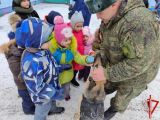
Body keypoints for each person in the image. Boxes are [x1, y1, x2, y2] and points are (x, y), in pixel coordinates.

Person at [85, 0, 160, 119]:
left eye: (100, 11)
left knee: (123, 96)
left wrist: (106, 73)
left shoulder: (138, 23)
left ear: (114, 3)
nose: (97, 17)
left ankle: (112, 110)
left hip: (138, 75)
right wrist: (99, 51)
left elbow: (139, 64)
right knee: (102, 87)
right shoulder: (111, 15)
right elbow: (108, 40)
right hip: (118, 63)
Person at [15, 17, 70, 120]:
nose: (51, 41)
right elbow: (36, 87)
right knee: (42, 111)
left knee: (51, 102)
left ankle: (52, 108)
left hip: (51, 86)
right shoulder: (31, 62)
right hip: (42, 97)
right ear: (36, 42)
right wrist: (55, 93)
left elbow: (49, 65)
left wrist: (59, 67)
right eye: (48, 39)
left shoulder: (43, 50)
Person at [48, 16, 94, 101]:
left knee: (66, 87)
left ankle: (66, 95)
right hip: (56, 75)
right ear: (58, 39)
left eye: (69, 39)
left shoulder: (71, 49)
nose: (69, 42)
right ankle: (56, 96)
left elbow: (79, 57)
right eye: (65, 40)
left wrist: (87, 59)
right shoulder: (52, 49)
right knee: (56, 87)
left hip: (67, 75)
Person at [0, 14, 35, 115]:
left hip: (26, 81)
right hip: (21, 82)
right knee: (26, 97)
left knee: (28, 95)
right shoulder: (12, 54)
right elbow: (16, 70)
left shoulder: (20, 50)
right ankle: (28, 110)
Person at [70, 11, 85, 87]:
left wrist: (85, 40)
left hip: (80, 53)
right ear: (73, 25)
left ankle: (73, 79)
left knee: (76, 68)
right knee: (71, 68)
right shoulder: (70, 33)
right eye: (77, 26)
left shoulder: (82, 32)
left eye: (81, 26)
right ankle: (69, 78)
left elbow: (83, 40)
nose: (79, 28)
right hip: (73, 54)